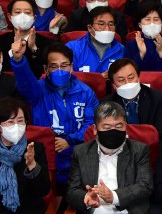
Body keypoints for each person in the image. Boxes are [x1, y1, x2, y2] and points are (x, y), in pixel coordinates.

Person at [64, 101, 153, 214]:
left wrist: (114, 197)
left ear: (126, 126)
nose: (114, 131)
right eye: (107, 127)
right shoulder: (81, 152)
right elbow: (71, 190)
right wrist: (86, 198)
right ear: (95, 130)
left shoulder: (139, 150)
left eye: (119, 125)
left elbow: (146, 185)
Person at [10, 42, 98, 188]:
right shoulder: (37, 90)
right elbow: (25, 83)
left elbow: (92, 124)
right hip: (48, 153)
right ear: (46, 69)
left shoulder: (86, 92)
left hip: (79, 154)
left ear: (71, 67)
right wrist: (18, 60)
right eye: (54, 66)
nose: (60, 70)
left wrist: (69, 140)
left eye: (64, 66)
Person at [0, 97, 50, 214]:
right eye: (10, 122)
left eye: (20, 121)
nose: (16, 126)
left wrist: (32, 166)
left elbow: (44, 190)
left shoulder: (36, 149)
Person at [104, 58, 162, 141]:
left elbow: (161, 133)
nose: (128, 83)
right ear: (113, 85)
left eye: (131, 78)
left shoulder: (157, 98)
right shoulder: (107, 103)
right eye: (121, 80)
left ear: (138, 78)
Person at [0, 0, 55, 78]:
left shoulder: (48, 44)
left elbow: (44, 74)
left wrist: (34, 49)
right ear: (10, 17)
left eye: (27, 12)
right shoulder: (1, 41)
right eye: (18, 12)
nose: (22, 16)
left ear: (34, 18)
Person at [125, 0, 162, 76]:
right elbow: (129, 75)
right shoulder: (132, 45)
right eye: (147, 19)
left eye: (156, 19)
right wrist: (141, 54)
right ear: (140, 24)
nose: (152, 23)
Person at [66, 6, 126, 75]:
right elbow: (68, 79)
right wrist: (98, 80)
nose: (107, 28)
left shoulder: (122, 50)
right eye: (101, 24)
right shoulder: (73, 48)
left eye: (111, 24)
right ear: (90, 28)